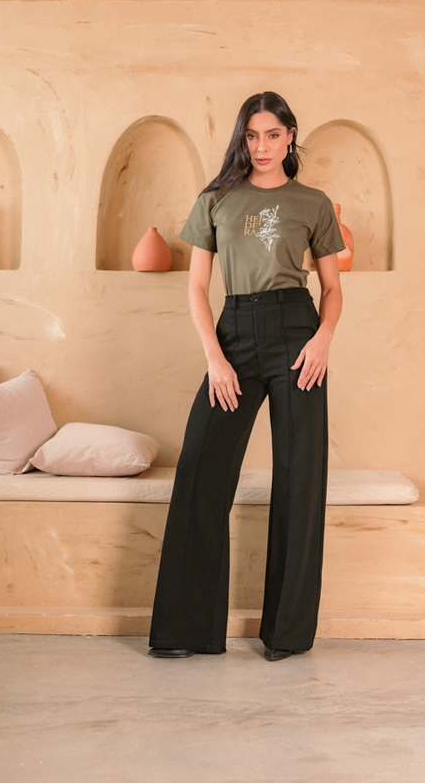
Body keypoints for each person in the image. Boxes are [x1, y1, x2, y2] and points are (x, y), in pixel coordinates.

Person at [149, 91, 344, 662]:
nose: (262, 146)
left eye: (273, 135)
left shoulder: (313, 203)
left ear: (290, 136)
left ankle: (287, 635)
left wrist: (323, 340)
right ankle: (186, 629)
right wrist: (215, 357)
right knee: (201, 471)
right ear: (243, 138)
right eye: (252, 135)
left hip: (298, 333)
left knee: (300, 479)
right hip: (233, 332)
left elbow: (332, 288)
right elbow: (195, 287)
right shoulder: (216, 199)